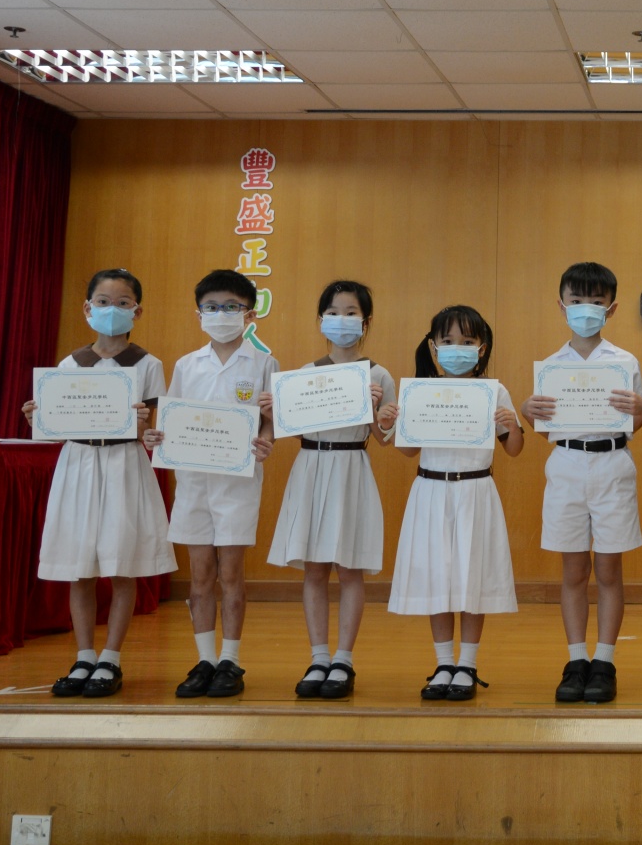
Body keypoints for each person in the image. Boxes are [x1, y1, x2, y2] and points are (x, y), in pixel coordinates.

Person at [26, 268, 173, 699]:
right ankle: (84, 655)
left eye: (123, 303)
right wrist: (37, 416)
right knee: (81, 567)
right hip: (79, 463)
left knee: (122, 564)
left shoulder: (148, 364)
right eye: (104, 302)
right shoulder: (71, 364)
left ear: (137, 311)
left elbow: (151, 431)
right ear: (88, 308)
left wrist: (146, 426)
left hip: (124, 464)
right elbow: (57, 426)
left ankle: (111, 658)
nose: (112, 310)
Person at [144, 268, 277, 700]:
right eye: (212, 307)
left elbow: (272, 421)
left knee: (231, 573)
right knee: (200, 574)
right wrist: (155, 437)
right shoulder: (187, 364)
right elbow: (171, 419)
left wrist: (266, 440)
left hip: (238, 483)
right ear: (198, 313)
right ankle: (204, 659)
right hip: (193, 482)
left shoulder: (264, 363)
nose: (221, 314)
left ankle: (230, 660)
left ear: (249, 314)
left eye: (232, 307)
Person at [520, 264, 642, 705]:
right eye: (577, 301)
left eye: (596, 301)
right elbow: (543, 428)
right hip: (567, 464)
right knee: (574, 571)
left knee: (609, 570)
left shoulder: (625, 362)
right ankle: (576, 660)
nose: (586, 309)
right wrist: (528, 411)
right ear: (562, 306)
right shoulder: (552, 367)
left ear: (611, 309)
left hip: (612, 463)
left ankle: (604, 661)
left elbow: (634, 422)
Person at [265, 280, 397, 701]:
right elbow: (294, 429)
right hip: (311, 466)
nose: (342, 320)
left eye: (351, 312)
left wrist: (375, 410)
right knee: (314, 568)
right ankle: (318, 656)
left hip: (351, 466)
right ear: (321, 319)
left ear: (366, 321)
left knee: (350, 568)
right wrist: (277, 410)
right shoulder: (305, 373)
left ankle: (344, 659)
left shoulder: (378, 374)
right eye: (334, 312)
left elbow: (386, 440)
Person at [390, 305, 525, 703]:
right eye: (447, 341)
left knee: (471, 577)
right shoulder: (421, 391)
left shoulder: (494, 391)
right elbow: (408, 451)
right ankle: (443, 663)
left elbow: (514, 449)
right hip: (431, 490)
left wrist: (511, 424)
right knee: (438, 577)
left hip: (474, 491)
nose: (456, 348)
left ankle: (467, 664)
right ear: (434, 347)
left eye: (466, 341)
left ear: (481, 348)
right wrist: (397, 422)